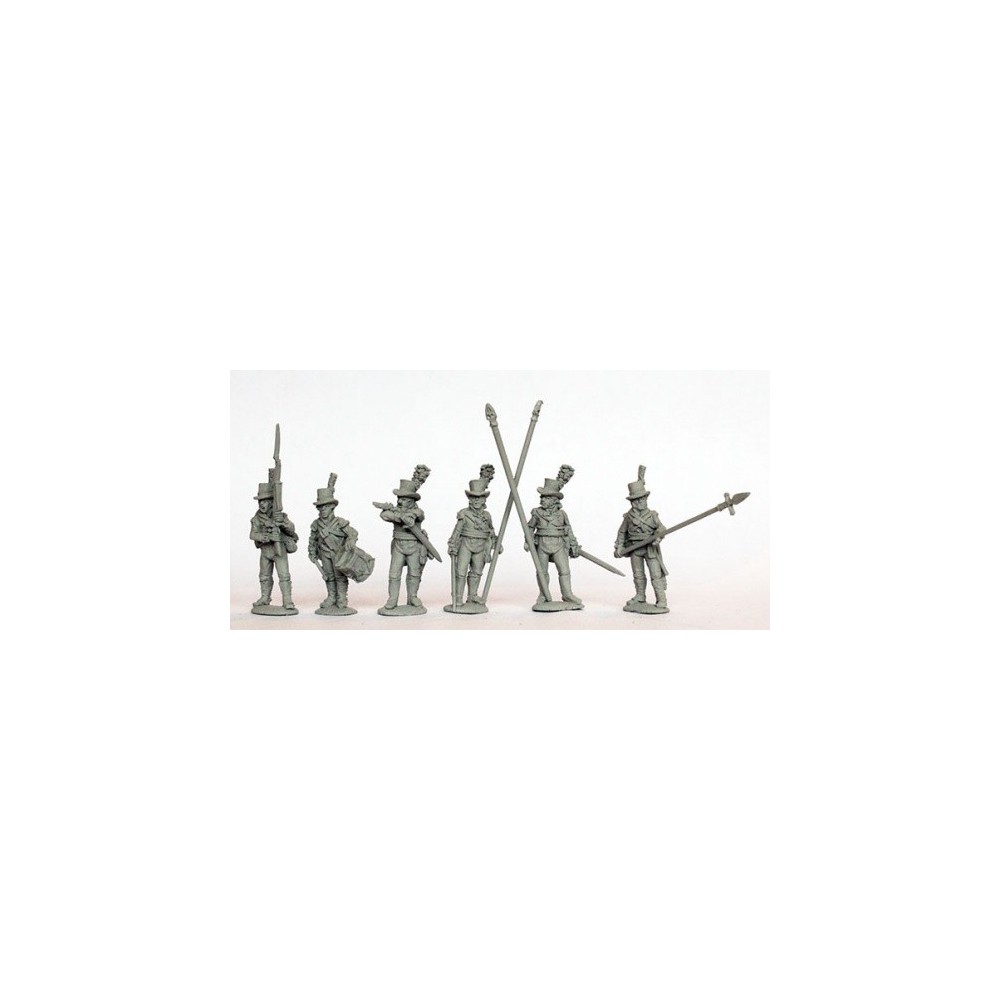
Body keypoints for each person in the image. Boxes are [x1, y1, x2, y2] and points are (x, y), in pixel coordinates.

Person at [526, 466, 581, 608]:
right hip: (542, 544)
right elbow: (530, 527)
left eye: (546, 497)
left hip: (559, 544)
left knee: (564, 571)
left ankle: (567, 594)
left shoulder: (562, 514)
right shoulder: (537, 513)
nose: (542, 500)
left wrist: (573, 544)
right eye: (542, 497)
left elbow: (568, 530)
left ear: (554, 500)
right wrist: (528, 540)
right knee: (542, 571)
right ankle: (543, 594)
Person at [614, 472, 669, 612]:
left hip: (650, 549)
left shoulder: (652, 515)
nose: (639, 503)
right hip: (634, 549)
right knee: (638, 575)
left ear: (646, 499)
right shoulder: (628, 517)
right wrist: (619, 546)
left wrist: (658, 537)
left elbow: (661, 528)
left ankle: (661, 599)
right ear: (632, 502)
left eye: (642, 499)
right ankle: (640, 596)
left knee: (655, 575)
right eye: (636, 500)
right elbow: (622, 532)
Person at [447, 467, 500, 606]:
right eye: (473, 497)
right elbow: (457, 531)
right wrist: (452, 544)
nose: (476, 500)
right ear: (470, 499)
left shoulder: (487, 515)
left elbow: (491, 531)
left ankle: (472, 596)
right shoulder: (464, 513)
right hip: (465, 544)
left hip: (481, 546)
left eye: (479, 497)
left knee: (477, 572)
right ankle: (458, 597)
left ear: (484, 499)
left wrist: (496, 542)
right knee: (461, 572)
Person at [308, 481, 359, 611]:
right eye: (320, 507)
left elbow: (353, 533)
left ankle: (341, 598)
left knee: (340, 576)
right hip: (324, 553)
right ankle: (331, 597)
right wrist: (311, 552)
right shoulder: (316, 524)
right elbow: (312, 539)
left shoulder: (340, 522)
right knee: (328, 576)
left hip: (339, 554)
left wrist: (351, 541)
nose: (322, 510)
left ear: (332, 507)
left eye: (325, 507)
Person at [249, 482, 298, 611]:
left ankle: (287, 600)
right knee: (264, 576)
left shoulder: (280, 516)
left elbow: (292, 529)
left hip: (279, 550)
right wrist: (265, 537)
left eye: (265, 501)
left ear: (271, 502)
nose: (261, 504)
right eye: (260, 501)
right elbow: (253, 534)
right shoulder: (256, 518)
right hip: (265, 550)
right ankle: (265, 597)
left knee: (284, 576)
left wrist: (283, 523)